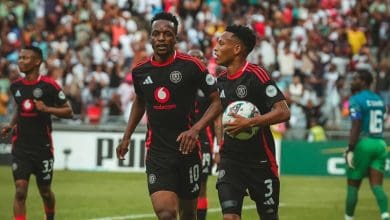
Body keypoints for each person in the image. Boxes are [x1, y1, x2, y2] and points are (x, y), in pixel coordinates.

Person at [116, 12, 222, 220]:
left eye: (167, 34)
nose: (162, 38)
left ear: (176, 38)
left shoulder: (192, 66)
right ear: (150, 37)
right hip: (157, 153)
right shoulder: (140, 70)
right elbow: (139, 102)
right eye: (156, 34)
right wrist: (126, 136)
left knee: (189, 214)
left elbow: (218, 101)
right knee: (165, 214)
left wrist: (195, 130)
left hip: (188, 151)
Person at [214, 24, 290, 220]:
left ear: (237, 49)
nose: (216, 48)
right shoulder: (220, 81)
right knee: (229, 217)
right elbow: (217, 115)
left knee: (269, 217)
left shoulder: (257, 75)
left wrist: (250, 123)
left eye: (221, 43)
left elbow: (283, 112)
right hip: (230, 160)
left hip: (260, 161)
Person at [1, 46, 74, 220]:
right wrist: (11, 125)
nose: (20, 61)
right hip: (21, 148)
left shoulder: (50, 86)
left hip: (43, 149)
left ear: (37, 62)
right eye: (20, 57)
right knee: (20, 192)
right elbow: (20, 109)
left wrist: (47, 108)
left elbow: (69, 111)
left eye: (25, 58)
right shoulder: (16, 86)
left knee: (46, 192)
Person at [344, 70, 389, 220]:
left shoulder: (356, 99)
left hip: (364, 143)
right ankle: (385, 215)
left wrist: (351, 148)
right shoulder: (380, 100)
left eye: (356, 78)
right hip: (380, 143)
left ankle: (349, 218)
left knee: (353, 184)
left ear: (364, 81)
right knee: (377, 186)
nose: (353, 80)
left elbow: (356, 124)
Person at [188, 49, 215, 220]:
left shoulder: (211, 87)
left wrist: (219, 147)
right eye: (193, 58)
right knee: (181, 185)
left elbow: (218, 119)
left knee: (201, 185)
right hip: (183, 139)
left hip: (205, 140)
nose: (197, 61)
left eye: (200, 58)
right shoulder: (179, 83)